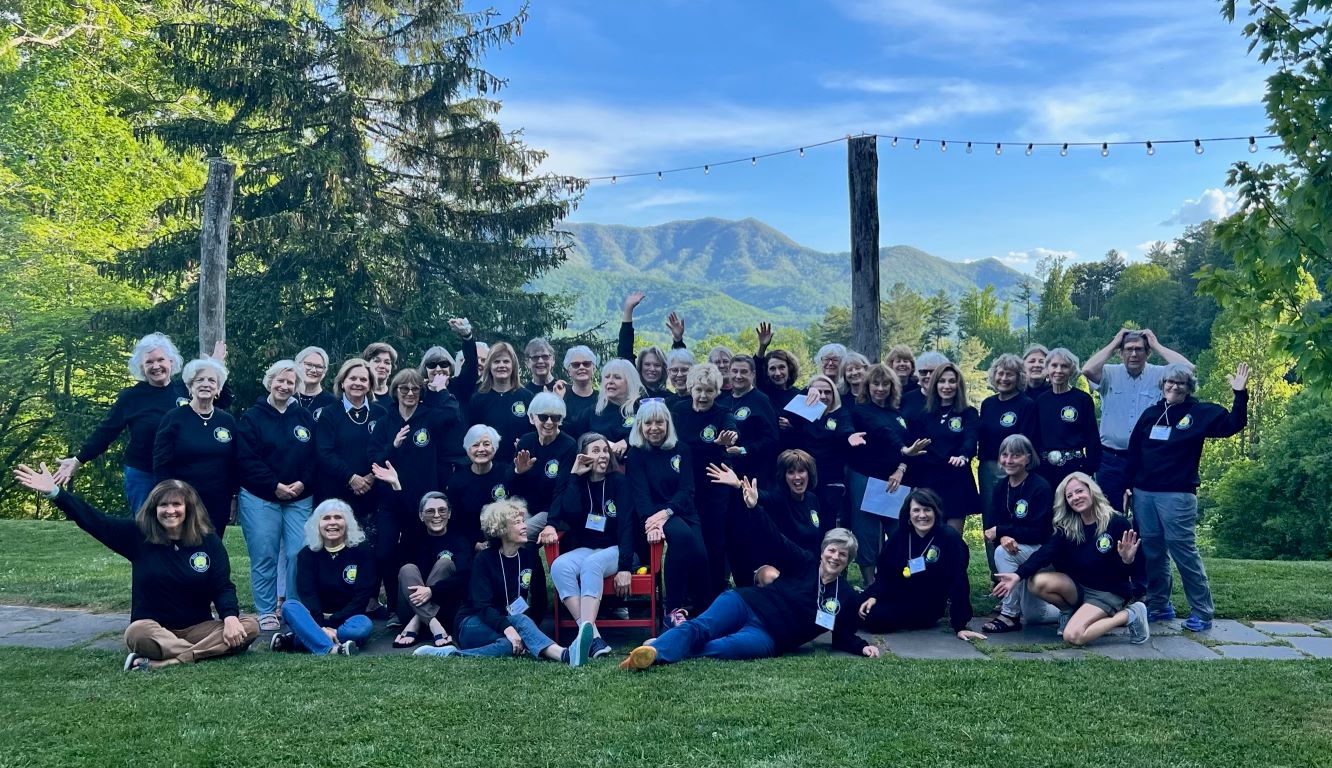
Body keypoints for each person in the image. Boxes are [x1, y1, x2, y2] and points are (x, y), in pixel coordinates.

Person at [14, 466, 258, 670]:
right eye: (163, 505)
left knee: (249, 627)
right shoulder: (137, 536)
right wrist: (56, 493)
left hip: (198, 628)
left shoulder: (208, 541)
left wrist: (230, 618)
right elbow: (94, 521)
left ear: (188, 508)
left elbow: (222, 585)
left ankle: (170, 661)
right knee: (136, 634)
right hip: (154, 629)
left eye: (176, 504)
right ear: (154, 509)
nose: (170, 510)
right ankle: (200, 653)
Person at [620, 476, 878, 669]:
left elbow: (842, 636)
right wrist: (755, 508)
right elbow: (775, 539)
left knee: (719, 647)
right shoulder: (805, 562)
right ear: (823, 551)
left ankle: (654, 650)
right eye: (832, 550)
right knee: (703, 627)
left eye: (843, 555)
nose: (835, 557)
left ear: (848, 562)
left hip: (769, 636)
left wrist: (863, 646)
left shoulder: (845, 596)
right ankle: (657, 649)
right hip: (746, 603)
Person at [1125, 362, 1249, 631]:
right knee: (1153, 552)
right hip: (1144, 493)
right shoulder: (1151, 414)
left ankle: (1202, 612)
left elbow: (1233, 423)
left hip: (1177, 495)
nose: (1174, 386)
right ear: (1162, 384)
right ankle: (1160, 605)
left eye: (1180, 383)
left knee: (1183, 552)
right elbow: (1134, 452)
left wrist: (1240, 394)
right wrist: (1128, 486)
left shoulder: (1200, 412)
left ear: (1188, 387)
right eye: (1170, 381)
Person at [57, 333, 229, 514]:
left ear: (171, 361)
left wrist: (214, 366)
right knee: (147, 529)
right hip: (143, 474)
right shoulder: (131, 397)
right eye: (149, 362)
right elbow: (106, 432)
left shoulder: (186, 390)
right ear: (141, 366)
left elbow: (218, 402)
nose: (156, 366)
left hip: (182, 473)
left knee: (183, 529)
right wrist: (78, 459)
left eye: (161, 359)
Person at [414, 499, 594, 665]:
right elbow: (482, 606)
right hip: (472, 623)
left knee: (512, 645)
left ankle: (452, 655)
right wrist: (509, 627)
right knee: (517, 631)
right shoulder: (483, 559)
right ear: (501, 529)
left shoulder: (529, 555)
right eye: (517, 523)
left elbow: (539, 600)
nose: (525, 527)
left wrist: (528, 630)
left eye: (523, 521)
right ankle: (566, 655)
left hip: (511, 621)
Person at [992, 473, 1150, 647]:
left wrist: (1127, 560)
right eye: (1070, 495)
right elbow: (1046, 552)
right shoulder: (1068, 525)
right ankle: (1070, 612)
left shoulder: (1117, 523)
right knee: (1035, 582)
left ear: (1091, 491)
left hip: (1107, 592)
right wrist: (1017, 575)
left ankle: (1130, 614)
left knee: (1073, 636)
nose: (1075, 497)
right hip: (1079, 587)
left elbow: (1132, 572)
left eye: (1079, 491)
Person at [538, 433, 637, 659]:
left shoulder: (619, 482)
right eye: (595, 451)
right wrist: (574, 476)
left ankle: (587, 635)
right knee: (559, 565)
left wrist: (625, 568)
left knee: (592, 564)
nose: (602, 455)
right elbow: (570, 512)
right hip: (588, 548)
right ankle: (593, 638)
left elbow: (627, 525)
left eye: (604, 450)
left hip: (617, 549)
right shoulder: (579, 483)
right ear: (583, 457)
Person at [236, 360, 318, 632]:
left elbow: (314, 456)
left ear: (297, 387)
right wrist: (274, 485)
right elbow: (247, 459)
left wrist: (302, 482)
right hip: (261, 497)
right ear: (270, 382)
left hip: (299, 497)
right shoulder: (252, 417)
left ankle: (293, 608)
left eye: (290, 383)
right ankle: (266, 610)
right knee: (265, 554)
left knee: (298, 552)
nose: (284, 386)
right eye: (280, 381)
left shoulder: (304, 417)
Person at [1084, 329, 1193, 510]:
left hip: (1147, 459)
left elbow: (1188, 369)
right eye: (1128, 349)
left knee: (1144, 516)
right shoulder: (1109, 373)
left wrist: (1156, 345)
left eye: (1139, 349)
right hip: (1112, 458)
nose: (1133, 354)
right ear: (1121, 353)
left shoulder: (1161, 375)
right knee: (1109, 513)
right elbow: (1087, 369)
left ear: (1147, 353)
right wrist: (1114, 342)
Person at [625, 399, 709, 629]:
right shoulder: (636, 454)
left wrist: (668, 511)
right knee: (682, 538)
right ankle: (672, 610)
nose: (654, 428)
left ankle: (703, 612)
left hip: (681, 510)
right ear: (640, 426)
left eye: (659, 422)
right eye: (648, 423)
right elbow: (640, 494)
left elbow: (687, 489)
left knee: (701, 555)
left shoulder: (681, 450)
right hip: (653, 514)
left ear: (668, 424)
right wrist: (653, 522)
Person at [858, 489, 985, 641]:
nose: (922, 515)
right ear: (909, 514)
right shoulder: (900, 536)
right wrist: (874, 596)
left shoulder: (949, 539)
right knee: (854, 604)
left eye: (927, 510)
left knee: (874, 618)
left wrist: (960, 625)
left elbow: (959, 580)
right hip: (895, 594)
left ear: (936, 512)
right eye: (916, 510)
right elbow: (885, 573)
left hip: (927, 603)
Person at [372, 466, 473, 648]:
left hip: (446, 610)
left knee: (444, 564)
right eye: (430, 511)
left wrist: (432, 591)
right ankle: (433, 626)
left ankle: (417, 623)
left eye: (442, 510)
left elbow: (464, 577)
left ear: (449, 514)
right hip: (408, 609)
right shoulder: (413, 536)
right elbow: (402, 512)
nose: (436, 516)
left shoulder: (460, 540)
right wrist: (396, 484)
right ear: (420, 515)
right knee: (407, 569)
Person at [845, 364, 921, 584]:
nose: (880, 388)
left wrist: (901, 467)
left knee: (900, 530)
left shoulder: (897, 413)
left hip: (895, 481)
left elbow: (909, 444)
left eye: (885, 383)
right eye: (875, 384)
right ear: (867, 386)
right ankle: (871, 584)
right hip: (866, 479)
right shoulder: (860, 411)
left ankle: (900, 580)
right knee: (866, 532)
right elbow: (881, 429)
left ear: (892, 386)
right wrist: (903, 449)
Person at [270, 499, 376, 656]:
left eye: (338, 517)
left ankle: (299, 639)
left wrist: (332, 624)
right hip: (315, 618)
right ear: (317, 525)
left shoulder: (362, 550)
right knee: (289, 607)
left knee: (362, 627)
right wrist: (321, 626)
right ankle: (332, 648)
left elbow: (362, 595)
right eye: (326, 518)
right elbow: (308, 594)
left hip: (348, 620)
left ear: (348, 523)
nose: (332, 523)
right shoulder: (307, 554)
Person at [671, 363, 739, 602]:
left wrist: (727, 440)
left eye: (709, 391)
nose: (703, 396)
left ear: (717, 391)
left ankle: (715, 595)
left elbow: (732, 432)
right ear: (691, 387)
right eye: (699, 389)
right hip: (684, 487)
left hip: (714, 486)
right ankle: (688, 595)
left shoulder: (723, 413)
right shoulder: (677, 411)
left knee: (714, 540)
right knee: (689, 541)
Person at [153, 357, 238, 536]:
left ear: (218, 388)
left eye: (211, 380)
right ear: (190, 386)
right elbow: (161, 463)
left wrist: (233, 497)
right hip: (182, 500)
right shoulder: (174, 418)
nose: (206, 384)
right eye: (200, 380)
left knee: (212, 550)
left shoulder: (227, 421)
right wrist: (169, 498)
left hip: (218, 499)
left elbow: (234, 463)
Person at [981, 435, 1056, 632]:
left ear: (1028, 458)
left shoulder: (1040, 487)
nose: (1009, 460)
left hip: (1042, 554)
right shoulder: (1001, 486)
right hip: (1019, 551)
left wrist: (1002, 531)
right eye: (1004, 455)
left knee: (1002, 553)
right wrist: (1003, 536)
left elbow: (1039, 533)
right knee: (1034, 616)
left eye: (1016, 455)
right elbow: (992, 525)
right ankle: (1075, 610)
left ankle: (1009, 615)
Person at [977, 353, 1037, 567]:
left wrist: (1013, 466)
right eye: (1000, 373)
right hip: (987, 468)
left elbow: (1027, 442)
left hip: (1014, 469)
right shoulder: (987, 404)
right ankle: (996, 575)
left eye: (1009, 374)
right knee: (990, 518)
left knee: (1014, 517)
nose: (1004, 378)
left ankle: (1016, 570)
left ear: (1019, 377)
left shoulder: (1026, 404)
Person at [313, 358, 389, 527]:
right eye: (352, 378)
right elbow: (324, 452)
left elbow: (386, 448)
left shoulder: (381, 413)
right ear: (342, 383)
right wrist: (351, 477)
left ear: (370, 385)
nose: (358, 383)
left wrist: (371, 476)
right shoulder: (329, 413)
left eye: (363, 379)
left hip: (372, 491)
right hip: (336, 491)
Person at [907, 362, 979, 534]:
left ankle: (953, 562)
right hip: (928, 480)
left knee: (952, 538)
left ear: (958, 385)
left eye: (952, 381)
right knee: (925, 536)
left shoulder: (968, 413)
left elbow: (970, 438)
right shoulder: (924, 414)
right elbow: (916, 446)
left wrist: (963, 456)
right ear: (935, 385)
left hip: (956, 480)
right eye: (941, 381)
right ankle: (922, 563)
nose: (947, 386)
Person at [783, 374, 852, 533]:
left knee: (828, 522)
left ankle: (827, 556)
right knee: (807, 521)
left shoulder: (841, 414)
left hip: (831, 479)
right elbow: (784, 414)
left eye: (827, 392)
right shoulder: (804, 413)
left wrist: (850, 437)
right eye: (818, 391)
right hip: (806, 478)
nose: (822, 396)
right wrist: (807, 390)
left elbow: (845, 431)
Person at [1031, 348, 1100, 490]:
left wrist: (1089, 470)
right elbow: (1035, 438)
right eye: (1054, 365)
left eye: (1064, 366)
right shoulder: (1040, 401)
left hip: (1075, 469)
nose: (1059, 370)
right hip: (1045, 471)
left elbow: (1092, 438)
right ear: (1047, 368)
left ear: (1072, 370)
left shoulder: (1082, 399)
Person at [512, 392, 577, 542]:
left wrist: (551, 524)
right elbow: (512, 484)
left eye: (555, 417)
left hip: (550, 511)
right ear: (532, 417)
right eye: (543, 417)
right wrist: (518, 472)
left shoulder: (568, 446)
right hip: (525, 507)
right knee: (501, 528)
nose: (549, 422)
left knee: (516, 534)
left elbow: (562, 489)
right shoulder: (526, 441)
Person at [444, 424, 514, 548]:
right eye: (475, 445)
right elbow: (455, 522)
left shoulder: (507, 472)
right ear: (468, 449)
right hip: (470, 543)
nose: (481, 449)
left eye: (486, 444)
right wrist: (474, 544)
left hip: (505, 539)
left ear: (494, 447)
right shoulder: (457, 480)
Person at [467, 341, 534, 464]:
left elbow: (535, 433)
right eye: (496, 362)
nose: (501, 365)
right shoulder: (478, 399)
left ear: (513, 365)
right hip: (489, 467)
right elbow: (472, 436)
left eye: (506, 361)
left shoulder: (527, 397)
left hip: (521, 465)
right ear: (489, 366)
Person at [617, 291, 686, 399]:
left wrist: (678, 340)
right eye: (647, 364)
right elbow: (625, 353)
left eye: (657, 365)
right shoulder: (633, 395)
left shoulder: (670, 399)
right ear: (640, 367)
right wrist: (628, 310)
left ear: (664, 369)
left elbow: (681, 365)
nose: (652, 368)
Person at [569, 358, 643, 456]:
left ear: (629, 382)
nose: (610, 381)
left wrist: (627, 442)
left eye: (617, 377)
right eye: (607, 377)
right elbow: (568, 431)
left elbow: (653, 434)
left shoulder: (642, 409)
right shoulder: (593, 412)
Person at [720, 354, 779, 477]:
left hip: (755, 472)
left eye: (744, 372)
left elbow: (772, 438)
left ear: (753, 374)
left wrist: (744, 450)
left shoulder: (761, 400)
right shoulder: (723, 402)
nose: (738, 376)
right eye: (734, 371)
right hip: (726, 472)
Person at [753, 321, 800, 402]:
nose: (777, 373)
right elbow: (756, 365)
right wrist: (762, 347)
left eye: (782, 367)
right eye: (772, 369)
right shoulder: (764, 391)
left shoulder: (798, 396)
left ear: (789, 368)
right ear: (766, 372)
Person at [901, 350, 947, 421]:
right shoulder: (906, 399)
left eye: (933, 372)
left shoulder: (949, 400)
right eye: (923, 372)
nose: (928, 376)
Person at [561, 345, 600, 426]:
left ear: (594, 369)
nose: (581, 367)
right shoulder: (562, 398)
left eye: (586, 364)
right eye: (576, 365)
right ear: (568, 371)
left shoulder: (602, 399)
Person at [294, 346, 338, 412]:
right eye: (308, 364)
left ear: (324, 371)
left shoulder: (332, 403)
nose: (313, 370)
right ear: (297, 365)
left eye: (319, 367)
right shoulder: (286, 397)